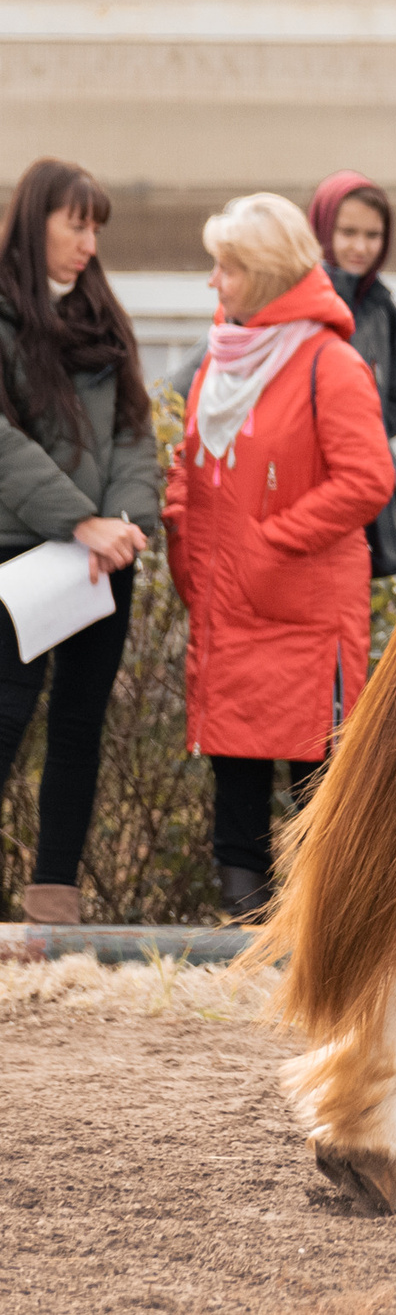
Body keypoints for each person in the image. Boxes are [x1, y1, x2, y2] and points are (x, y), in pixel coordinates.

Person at [167, 194, 396, 920]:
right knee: (233, 759)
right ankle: (244, 913)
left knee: (314, 770)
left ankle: (319, 922)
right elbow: (197, 467)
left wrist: (272, 537)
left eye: (227, 267)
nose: (214, 281)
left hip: (303, 610)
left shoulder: (331, 363)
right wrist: (181, 529)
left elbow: (368, 480)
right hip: (229, 600)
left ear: (263, 274)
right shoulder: (221, 358)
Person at [0, 159, 158, 927]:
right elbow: (2, 444)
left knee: (79, 724)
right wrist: (75, 519)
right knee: (6, 715)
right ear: (36, 223)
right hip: (20, 556)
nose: (89, 242)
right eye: (76, 223)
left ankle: (53, 899)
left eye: (96, 226)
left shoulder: (103, 316)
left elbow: (134, 430)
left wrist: (123, 522)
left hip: (101, 560)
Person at [309, 172, 396, 563]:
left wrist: (362, 435)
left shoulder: (381, 305)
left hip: (366, 494)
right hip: (306, 487)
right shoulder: (299, 301)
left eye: (373, 235)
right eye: (347, 232)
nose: (360, 247)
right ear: (323, 228)